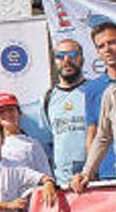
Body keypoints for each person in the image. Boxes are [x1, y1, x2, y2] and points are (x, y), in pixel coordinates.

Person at [40, 39, 89, 187]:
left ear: (82, 58)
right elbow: (49, 140)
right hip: (63, 184)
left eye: (72, 54)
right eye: (60, 56)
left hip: (94, 180)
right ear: (54, 61)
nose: (66, 60)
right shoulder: (47, 98)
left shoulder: (94, 92)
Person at [82, 21, 116, 180]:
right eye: (101, 46)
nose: (107, 49)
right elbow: (101, 136)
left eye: (112, 42)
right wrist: (88, 173)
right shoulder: (109, 93)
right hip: (108, 175)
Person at [0, 93, 52, 175]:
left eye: (11, 110)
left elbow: (46, 177)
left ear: (19, 113)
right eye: (1, 112)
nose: (7, 114)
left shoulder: (33, 144)